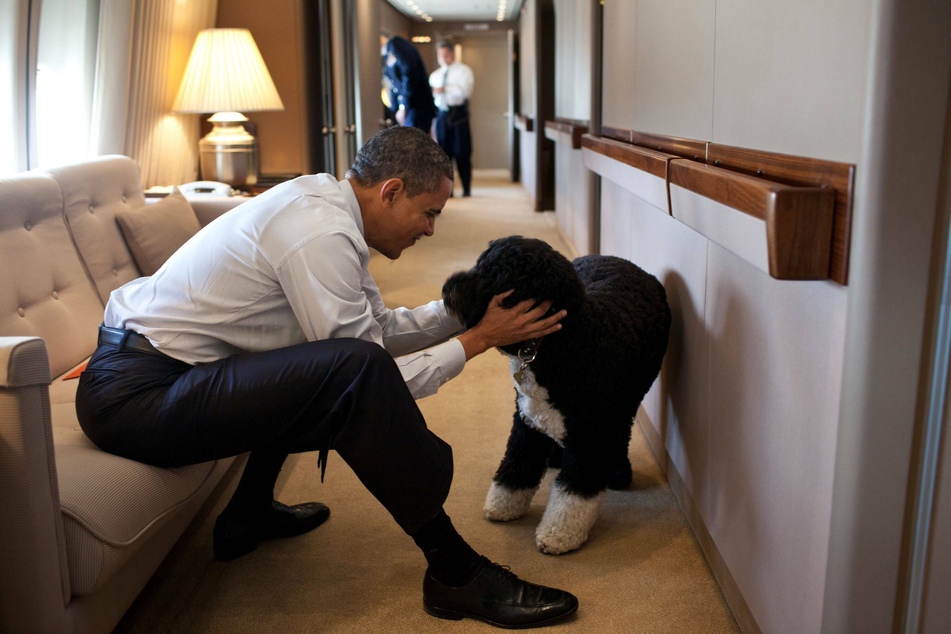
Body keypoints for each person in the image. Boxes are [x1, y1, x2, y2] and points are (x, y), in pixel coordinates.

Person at [75, 126, 578, 629]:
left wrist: (464, 311)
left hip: (156, 375)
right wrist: (480, 339)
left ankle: (247, 513)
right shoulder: (320, 232)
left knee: (314, 353)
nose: (430, 230)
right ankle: (455, 572)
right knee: (347, 372)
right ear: (391, 191)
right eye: (429, 213)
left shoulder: (329, 208)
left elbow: (376, 332)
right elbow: (369, 376)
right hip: (136, 398)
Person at [429, 40, 474, 197]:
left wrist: (445, 89)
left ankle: (467, 188)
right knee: (444, 156)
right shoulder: (435, 76)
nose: (443, 58)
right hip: (442, 115)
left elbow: (465, 93)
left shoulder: (464, 71)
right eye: (440, 55)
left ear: (452, 54)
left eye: (446, 54)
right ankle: (449, 191)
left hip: (459, 116)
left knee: (462, 153)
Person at [383, 36, 437, 133]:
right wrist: (395, 109)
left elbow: (409, 74)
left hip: (416, 106)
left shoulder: (396, 44)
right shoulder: (387, 53)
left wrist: (403, 106)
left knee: (413, 141)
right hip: (408, 108)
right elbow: (393, 84)